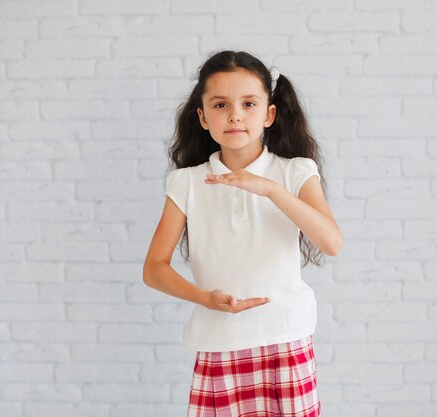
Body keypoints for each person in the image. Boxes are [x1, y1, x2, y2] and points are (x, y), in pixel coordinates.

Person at [143, 50, 342, 417]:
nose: (234, 114)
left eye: (248, 103)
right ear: (202, 118)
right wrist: (204, 298)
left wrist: (269, 189)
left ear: (269, 114)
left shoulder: (296, 171)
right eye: (220, 105)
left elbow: (331, 241)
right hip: (219, 342)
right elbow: (154, 268)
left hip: (285, 339)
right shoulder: (186, 182)